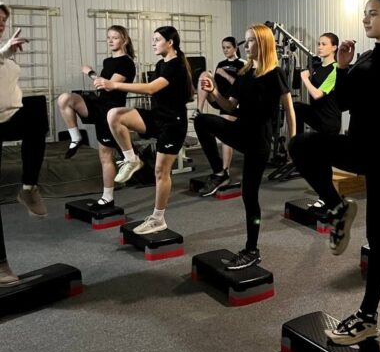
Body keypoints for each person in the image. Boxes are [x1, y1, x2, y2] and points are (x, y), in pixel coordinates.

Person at [290, 0, 380, 345]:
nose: (366, 19)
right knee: (301, 145)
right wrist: (343, 67)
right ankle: (337, 207)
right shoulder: (367, 56)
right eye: (365, 14)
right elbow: (342, 102)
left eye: (373, 14)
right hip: (357, 145)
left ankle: (368, 317)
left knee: (378, 237)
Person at [194, 24, 296, 270]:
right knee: (201, 120)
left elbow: (290, 111)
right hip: (240, 129)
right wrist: (214, 92)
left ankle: (252, 250)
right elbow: (229, 107)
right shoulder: (244, 72)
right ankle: (220, 172)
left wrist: (293, 144)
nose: (246, 45)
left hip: (259, 140)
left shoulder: (275, 74)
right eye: (246, 40)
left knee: (249, 196)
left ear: (262, 43)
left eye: (250, 41)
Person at [93, 26, 193, 235]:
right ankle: (132, 159)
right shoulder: (160, 64)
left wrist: (115, 85)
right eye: (153, 39)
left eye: (157, 39)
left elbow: (150, 88)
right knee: (114, 115)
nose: (153, 43)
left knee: (160, 171)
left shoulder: (176, 65)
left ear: (170, 42)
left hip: (173, 124)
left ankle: (158, 219)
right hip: (156, 117)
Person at [57, 26, 136, 209]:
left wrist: (90, 73)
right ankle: (76, 137)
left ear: (124, 40)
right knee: (65, 99)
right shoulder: (107, 61)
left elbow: (108, 86)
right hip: (99, 105)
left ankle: (107, 197)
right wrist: (94, 76)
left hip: (111, 112)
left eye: (115, 37)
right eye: (108, 37)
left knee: (105, 155)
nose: (110, 41)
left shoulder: (127, 63)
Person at [0, 2, 48, 285]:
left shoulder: (5, 54)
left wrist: (6, 54)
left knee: (37, 111)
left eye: (3, 19)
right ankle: (1, 265)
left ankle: (28, 189)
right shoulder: (3, 52)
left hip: (7, 117)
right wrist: (4, 52)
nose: (1, 23)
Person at [195, 37, 245, 178]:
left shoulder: (242, 64)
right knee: (205, 74)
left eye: (228, 47)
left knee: (225, 133)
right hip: (218, 97)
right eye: (223, 48)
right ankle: (198, 110)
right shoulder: (221, 64)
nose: (225, 50)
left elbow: (241, 85)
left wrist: (225, 74)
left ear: (235, 48)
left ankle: (225, 170)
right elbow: (215, 83)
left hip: (232, 102)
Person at [294, 33, 341, 135]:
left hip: (329, 121)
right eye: (319, 44)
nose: (320, 47)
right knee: (296, 107)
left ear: (334, 48)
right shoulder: (318, 67)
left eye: (324, 44)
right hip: (317, 115)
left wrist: (305, 78)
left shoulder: (335, 69)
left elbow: (317, 95)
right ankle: (297, 140)